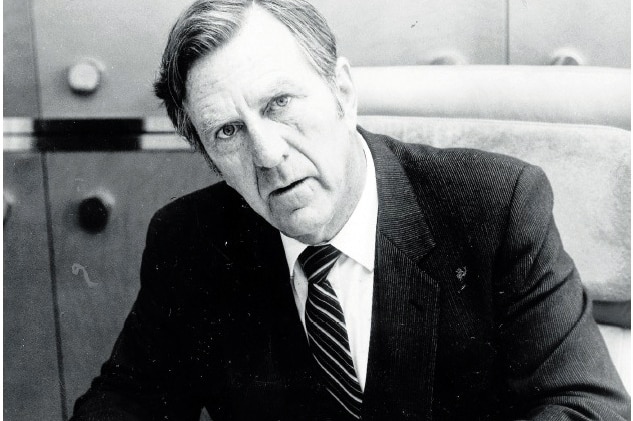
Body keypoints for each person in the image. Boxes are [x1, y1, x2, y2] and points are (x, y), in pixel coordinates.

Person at [71, 0, 630, 420]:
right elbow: (128, 401)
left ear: (342, 90)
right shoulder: (189, 239)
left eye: (280, 104)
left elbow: (587, 406)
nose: (268, 155)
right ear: (209, 156)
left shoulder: (493, 204)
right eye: (229, 132)